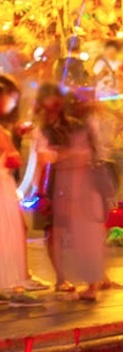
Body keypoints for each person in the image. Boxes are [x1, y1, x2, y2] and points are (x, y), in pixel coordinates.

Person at [32, 85, 109, 301]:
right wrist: (40, 191)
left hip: (72, 183)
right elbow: (42, 159)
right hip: (53, 183)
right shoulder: (41, 128)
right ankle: (61, 277)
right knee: (54, 230)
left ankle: (93, 278)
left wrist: (61, 156)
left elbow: (84, 154)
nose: (53, 105)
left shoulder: (72, 126)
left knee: (81, 231)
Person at [0, 76, 35, 295]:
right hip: (3, 186)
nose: (12, 103)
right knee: (9, 230)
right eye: (9, 98)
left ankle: (19, 276)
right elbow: (13, 159)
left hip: (7, 184)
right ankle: (15, 279)